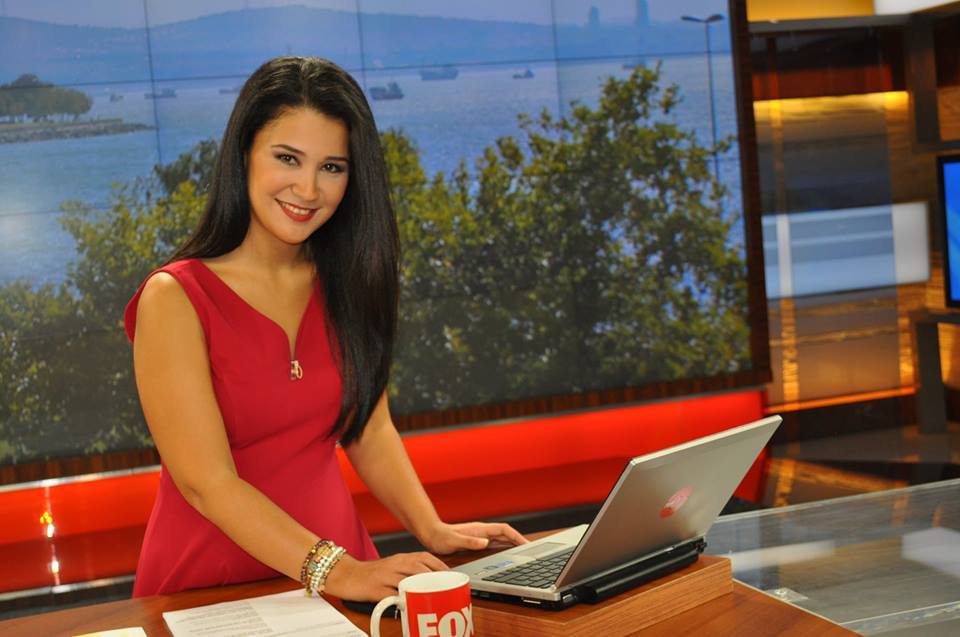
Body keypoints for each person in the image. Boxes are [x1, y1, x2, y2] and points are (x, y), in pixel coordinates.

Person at [124, 56, 527, 601]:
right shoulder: (174, 297)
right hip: (211, 588)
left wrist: (431, 528)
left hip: (347, 579)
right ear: (243, 153)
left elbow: (369, 429)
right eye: (287, 158)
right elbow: (207, 483)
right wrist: (339, 571)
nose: (309, 189)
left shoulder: (346, 283)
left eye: (332, 167)